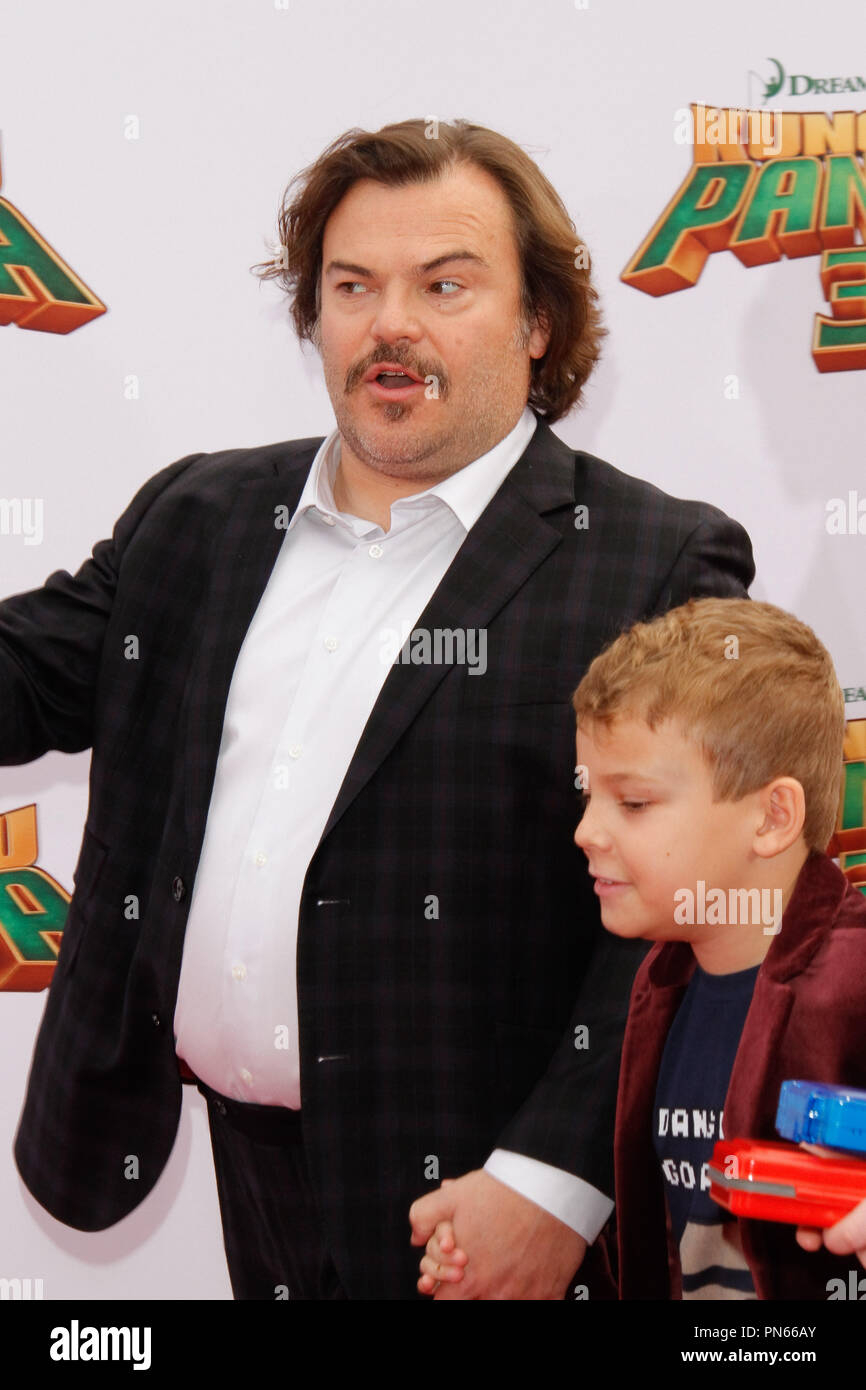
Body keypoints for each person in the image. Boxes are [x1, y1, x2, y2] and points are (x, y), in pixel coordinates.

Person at [5, 119, 753, 1301]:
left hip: (487, 1205)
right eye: (352, 285)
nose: (388, 322)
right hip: (252, 1172)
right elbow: (24, 676)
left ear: (536, 322)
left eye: (443, 285)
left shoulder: (655, 561)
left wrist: (552, 1180)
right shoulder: (199, 514)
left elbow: (692, 909)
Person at [419, 598, 866, 1299]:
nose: (586, 832)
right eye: (588, 795)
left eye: (632, 803)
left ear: (772, 817)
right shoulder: (660, 981)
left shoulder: (853, 981)